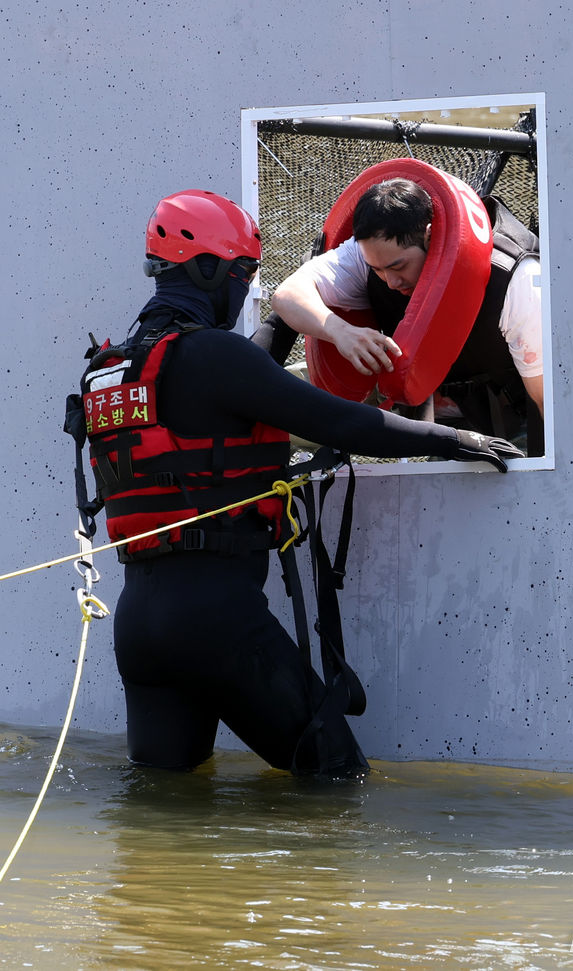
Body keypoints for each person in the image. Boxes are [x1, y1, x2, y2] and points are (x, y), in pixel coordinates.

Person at [71, 189, 523, 780]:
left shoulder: (110, 370)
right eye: (242, 273)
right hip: (219, 622)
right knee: (337, 780)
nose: (245, 289)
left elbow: (240, 383)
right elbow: (337, 420)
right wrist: (451, 441)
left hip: (139, 628)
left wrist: (296, 312)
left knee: (164, 804)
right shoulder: (215, 358)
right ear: (211, 271)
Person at [262, 175, 544, 456]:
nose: (390, 282)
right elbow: (286, 296)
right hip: (432, 409)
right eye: (378, 270)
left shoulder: (516, 279)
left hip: (519, 412)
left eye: (399, 267)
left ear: (431, 236)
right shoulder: (373, 253)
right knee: (275, 409)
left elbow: (546, 401)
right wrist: (341, 332)